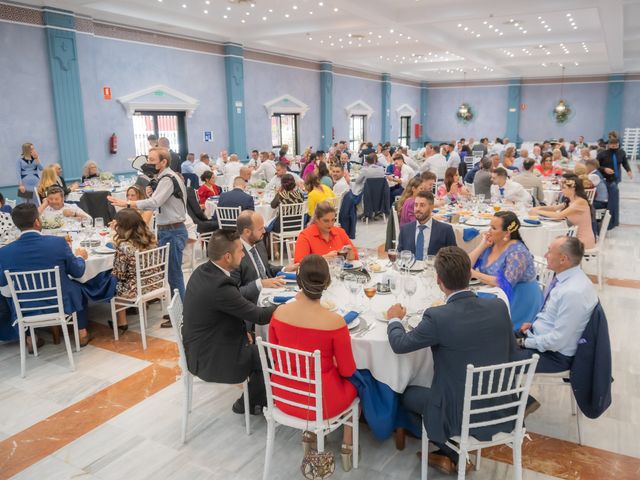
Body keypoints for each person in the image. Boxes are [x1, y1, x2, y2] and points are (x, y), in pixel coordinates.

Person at [386, 246, 516, 475]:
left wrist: (394, 320)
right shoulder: (498, 307)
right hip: (502, 404)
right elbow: (511, 352)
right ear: (469, 274)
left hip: (457, 412)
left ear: (438, 280)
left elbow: (400, 344)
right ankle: (450, 454)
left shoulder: (438, 316)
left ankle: (452, 451)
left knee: (407, 395)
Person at [269, 254, 358, 471]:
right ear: (327, 284)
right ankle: (347, 445)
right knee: (359, 383)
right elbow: (348, 370)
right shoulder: (335, 322)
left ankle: (308, 435)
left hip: (283, 396)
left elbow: (276, 357)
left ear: (298, 282)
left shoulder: (279, 313)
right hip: (321, 404)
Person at [182, 229, 276, 414]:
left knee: (259, 345)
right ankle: (247, 404)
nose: (243, 254)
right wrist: (291, 306)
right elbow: (259, 316)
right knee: (271, 357)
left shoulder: (203, 270)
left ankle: (260, 399)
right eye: (240, 250)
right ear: (227, 256)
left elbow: (226, 312)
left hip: (199, 346)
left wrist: (244, 334)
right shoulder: (220, 285)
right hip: (211, 356)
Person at [0, 203, 93, 347]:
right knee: (78, 286)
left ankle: (31, 339)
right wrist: (80, 257)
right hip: (61, 301)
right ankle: (81, 333)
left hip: (25, 305)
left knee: (9, 295)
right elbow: (77, 271)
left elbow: (2, 282)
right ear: (37, 221)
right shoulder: (58, 243)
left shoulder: (4, 252)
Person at [108, 147, 188, 310]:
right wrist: (151, 193)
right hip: (168, 229)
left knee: (174, 274)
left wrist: (128, 203)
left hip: (172, 231)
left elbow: (154, 204)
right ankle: (178, 309)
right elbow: (159, 202)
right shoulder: (164, 178)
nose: (148, 163)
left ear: (163, 162)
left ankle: (183, 312)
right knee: (171, 273)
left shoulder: (167, 178)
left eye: (152, 160)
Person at [514, 236, 597, 374]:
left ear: (563, 259)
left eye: (549, 251)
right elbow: (553, 314)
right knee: (492, 338)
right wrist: (535, 324)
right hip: (538, 337)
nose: (545, 255)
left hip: (554, 356)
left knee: (496, 358)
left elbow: (557, 341)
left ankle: (510, 395)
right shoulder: (564, 279)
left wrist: (523, 343)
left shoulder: (573, 292)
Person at [468, 212, 543, 330]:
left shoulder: (517, 253)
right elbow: (466, 265)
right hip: (495, 293)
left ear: (507, 233)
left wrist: (474, 274)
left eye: (493, 228)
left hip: (518, 299)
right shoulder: (493, 244)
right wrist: (482, 245)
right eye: (489, 226)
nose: (488, 231)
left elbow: (505, 282)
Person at [231, 211, 295, 303]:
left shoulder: (258, 242)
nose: (264, 231)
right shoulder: (234, 254)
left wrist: (285, 269)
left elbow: (266, 268)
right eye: (261, 229)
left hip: (272, 292)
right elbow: (235, 293)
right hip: (254, 303)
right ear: (247, 232)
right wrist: (260, 284)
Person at [110, 208, 158, 331]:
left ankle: (122, 323)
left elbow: (119, 273)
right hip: (155, 281)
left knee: (116, 283)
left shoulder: (124, 246)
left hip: (137, 287)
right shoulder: (150, 238)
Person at [530, 174, 595, 249]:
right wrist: (538, 208)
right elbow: (554, 208)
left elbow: (559, 215)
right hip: (574, 237)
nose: (562, 190)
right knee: (553, 241)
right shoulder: (571, 200)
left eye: (564, 188)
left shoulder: (580, 202)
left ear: (573, 188)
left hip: (583, 241)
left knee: (553, 243)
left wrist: (538, 211)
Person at [397, 191, 456, 260]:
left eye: (422, 205)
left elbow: (453, 258)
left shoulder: (446, 230)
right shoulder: (405, 229)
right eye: (416, 205)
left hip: (433, 269)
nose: (418, 209)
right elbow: (399, 255)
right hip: (410, 269)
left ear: (431, 208)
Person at [597, 133, 632, 229]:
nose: (614, 146)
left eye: (616, 145)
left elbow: (624, 162)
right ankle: (605, 221)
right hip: (604, 180)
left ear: (618, 144)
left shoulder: (621, 152)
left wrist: (628, 170)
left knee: (613, 200)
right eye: (612, 145)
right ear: (608, 145)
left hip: (615, 179)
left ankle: (612, 221)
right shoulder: (602, 154)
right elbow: (596, 166)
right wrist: (604, 169)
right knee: (607, 199)